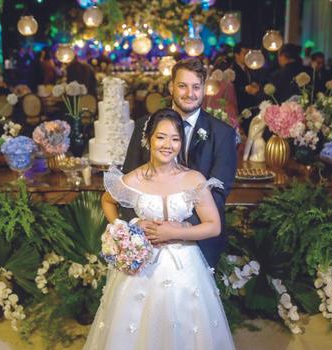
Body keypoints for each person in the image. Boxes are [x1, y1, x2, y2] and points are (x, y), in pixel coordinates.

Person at [83, 108, 235, 350]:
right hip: (141, 268)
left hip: (184, 268)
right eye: (161, 137)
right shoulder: (133, 178)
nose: (168, 145)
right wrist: (128, 226)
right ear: (149, 139)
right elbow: (107, 201)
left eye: (175, 139)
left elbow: (213, 226)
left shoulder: (193, 179)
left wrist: (175, 232)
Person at [123, 58, 237, 268]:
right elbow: (127, 186)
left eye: (196, 87)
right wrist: (141, 225)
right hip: (148, 241)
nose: (189, 93)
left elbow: (218, 193)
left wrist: (178, 230)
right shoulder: (144, 126)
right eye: (182, 86)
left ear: (204, 89)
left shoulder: (222, 134)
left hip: (199, 243)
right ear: (171, 87)